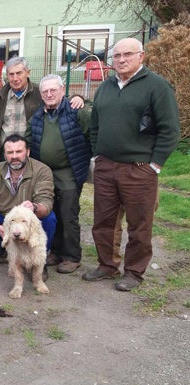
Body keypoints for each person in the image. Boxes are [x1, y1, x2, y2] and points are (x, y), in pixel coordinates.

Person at [83, 37, 180, 291]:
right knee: (104, 222)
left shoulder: (157, 87)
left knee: (139, 225)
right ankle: (107, 265)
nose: (122, 60)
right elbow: (95, 125)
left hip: (139, 169)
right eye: (117, 56)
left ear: (141, 56)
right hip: (106, 167)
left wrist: (155, 165)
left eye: (128, 54)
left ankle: (134, 272)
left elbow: (170, 131)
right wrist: (97, 154)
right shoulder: (105, 87)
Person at [26, 74, 91, 274]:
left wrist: (83, 98)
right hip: (45, 173)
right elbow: (28, 140)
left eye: (53, 90)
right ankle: (54, 250)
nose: (49, 94)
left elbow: (92, 134)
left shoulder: (76, 111)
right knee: (50, 214)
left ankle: (71, 256)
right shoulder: (37, 117)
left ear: (63, 91)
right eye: (45, 91)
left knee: (68, 213)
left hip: (70, 171)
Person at [0, 134, 56, 269]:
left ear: (28, 152)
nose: (14, 156)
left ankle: (38, 260)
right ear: (5, 155)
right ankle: (7, 247)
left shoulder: (42, 170)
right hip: (5, 217)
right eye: (10, 152)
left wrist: (35, 207)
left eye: (19, 151)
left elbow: (46, 202)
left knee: (49, 219)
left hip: (29, 219)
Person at [0, 57, 84, 163]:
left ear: (28, 73)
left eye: (19, 73)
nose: (15, 78)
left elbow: (60, 99)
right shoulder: (0, 97)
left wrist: (78, 97)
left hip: (30, 155)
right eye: (11, 74)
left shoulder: (40, 93)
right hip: (4, 154)